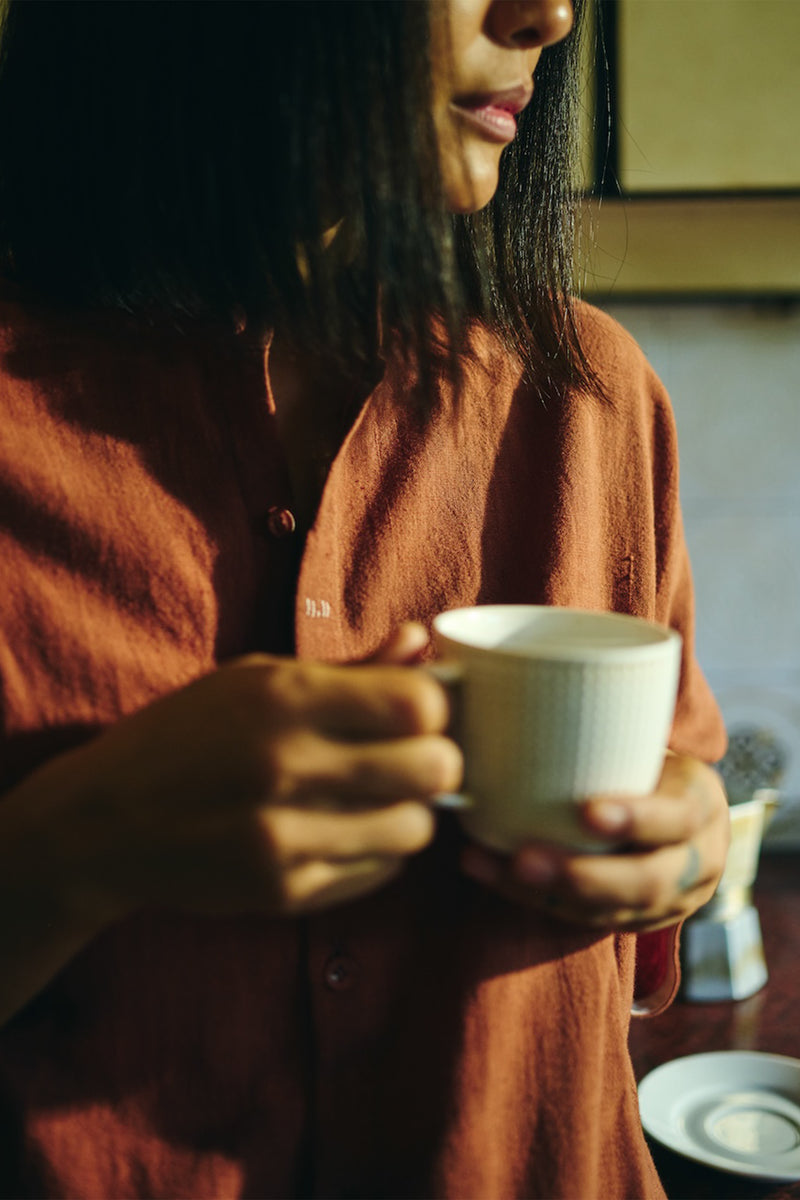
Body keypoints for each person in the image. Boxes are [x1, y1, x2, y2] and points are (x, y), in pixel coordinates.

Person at [0, 1, 729, 1197]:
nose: (545, 14)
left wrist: (684, 847)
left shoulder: (589, 395)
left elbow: (681, 801)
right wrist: (77, 845)